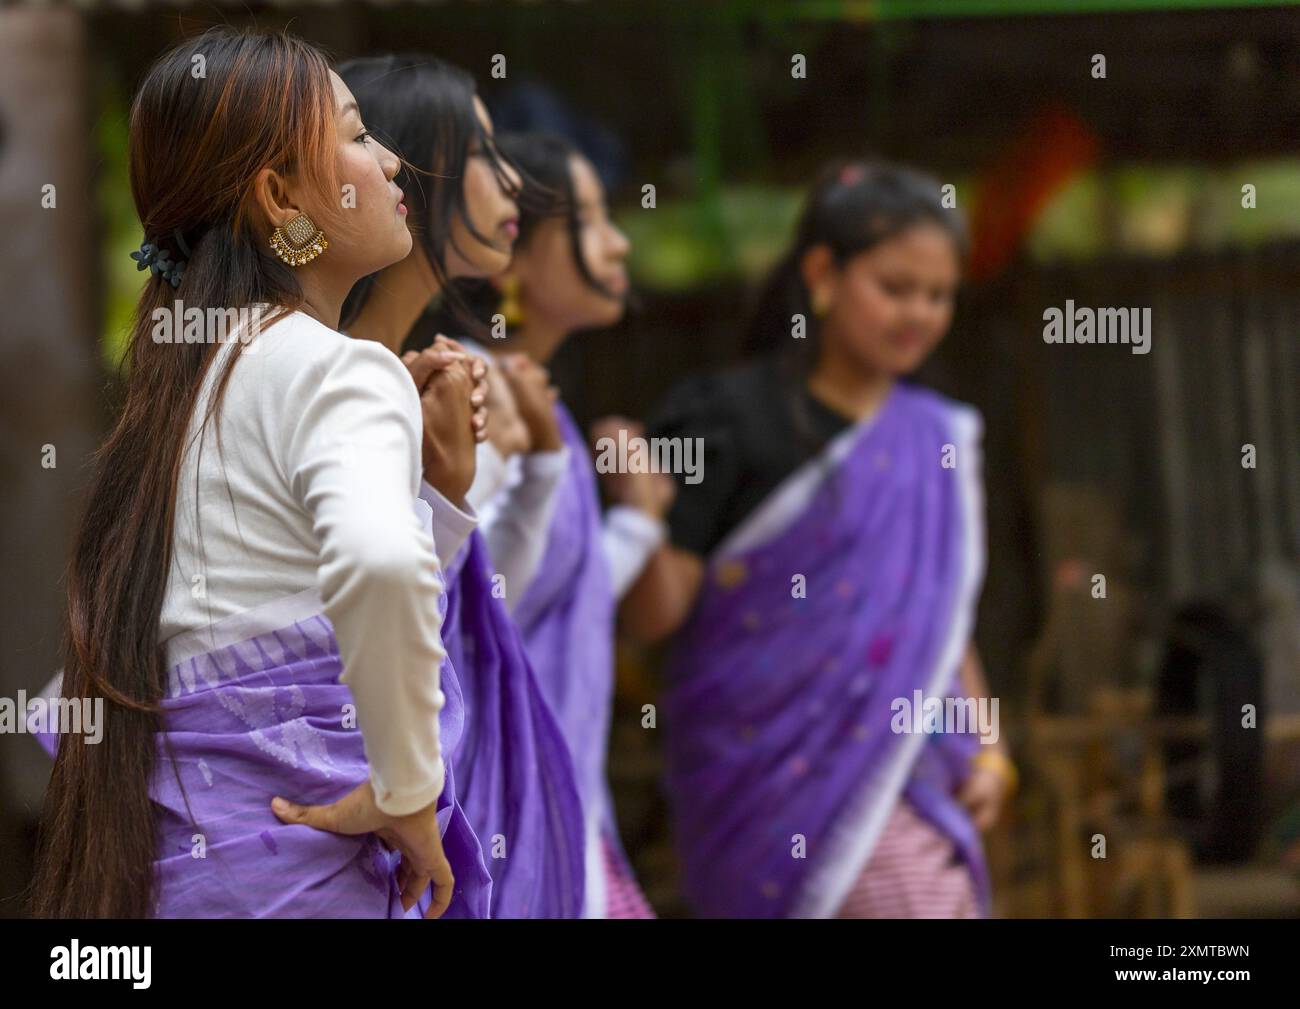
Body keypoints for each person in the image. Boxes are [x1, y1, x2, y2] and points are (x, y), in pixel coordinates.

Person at [31, 29, 489, 918]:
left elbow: (263, 603)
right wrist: (404, 784)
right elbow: (379, 570)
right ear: (281, 198)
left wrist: (434, 493)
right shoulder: (343, 370)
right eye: (358, 135)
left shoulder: (182, 387)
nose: (390, 161)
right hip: (308, 874)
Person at [628, 159, 1016, 918]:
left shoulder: (937, 436)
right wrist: (639, 512)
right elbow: (651, 618)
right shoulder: (725, 420)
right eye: (896, 287)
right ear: (823, 274)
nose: (920, 313)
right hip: (757, 779)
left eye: (939, 295)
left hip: (910, 771)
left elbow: (939, 624)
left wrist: (990, 745)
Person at [336, 57, 586, 918]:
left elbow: (464, 613)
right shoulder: (331, 383)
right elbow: (334, 644)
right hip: (335, 834)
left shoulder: (421, 379)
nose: (512, 177)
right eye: (479, 151)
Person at [463, 132, 671, 917]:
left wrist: (638, 527)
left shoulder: (542, 406)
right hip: (498, 824)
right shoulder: (474, 395)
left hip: (554, 811)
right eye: (586, 220)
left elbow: (555, 595)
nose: (617, 243)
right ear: (510, 255)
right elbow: (452, 606)